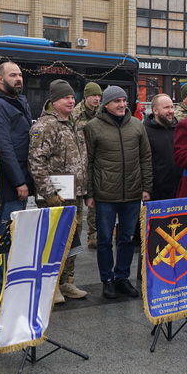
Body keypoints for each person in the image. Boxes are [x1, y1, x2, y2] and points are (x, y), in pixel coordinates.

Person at [85, 86, 152, 299]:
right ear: (106, 105)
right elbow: (88, 162)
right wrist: (89, 192)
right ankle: (107, 279)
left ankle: (122, 277)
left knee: (126, 238)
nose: (122, 104)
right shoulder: (93, 127)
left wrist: (147, 187)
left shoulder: (137, 126)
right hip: (105, 194)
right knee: (104, 239)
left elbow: (145, 158)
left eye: (124, 100)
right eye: (117, 101)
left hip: (132, 193)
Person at [29, 80, 89, 300]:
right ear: (54, 100)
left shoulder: (75, 123)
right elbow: (36, 162)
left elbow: (83, 159)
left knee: (72, 239)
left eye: (73, 97)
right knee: (53, 241)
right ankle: (50, 285)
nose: (71, 101)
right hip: (55, 197)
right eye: (66, 97)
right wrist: (49, 194)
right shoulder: (44, 126)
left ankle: (66, 283)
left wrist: (86, 190)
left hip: (76, 194)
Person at [0, 62, 34, 294]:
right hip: (9, 185)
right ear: (0, 79)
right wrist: (18, 181)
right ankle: (2, 288)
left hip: (21, 178)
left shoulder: (19, 101)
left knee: (15, 237)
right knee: (4, 238)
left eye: (20, 74)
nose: (19, 78)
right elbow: (4, 147)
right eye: (13, 75)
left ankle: (12, 284)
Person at [74, 82, 102, 247]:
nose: (96, 99)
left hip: (97, 158)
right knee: (84, 200)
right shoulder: (77, 114)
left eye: (98, 96)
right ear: (86, 97)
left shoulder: (101, 112)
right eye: (93, 95)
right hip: (80, 160)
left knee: (96, 200)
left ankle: (93, 234)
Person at [144, 93, 180, 201]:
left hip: (179, 191)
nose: (171, 111)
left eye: (172, 107)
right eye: (166, 108)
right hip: (156, 194)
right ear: (155, 111)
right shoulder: (145, 131)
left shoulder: (179, 129)